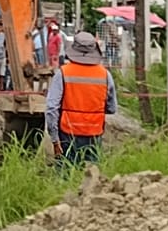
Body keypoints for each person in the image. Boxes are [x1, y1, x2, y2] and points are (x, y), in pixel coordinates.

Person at [46, 31, 119, 167]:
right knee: (91, 178)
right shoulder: (105, 75)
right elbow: (112, 108)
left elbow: (51, 108)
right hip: (94, 133)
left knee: (65, 175)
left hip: (68, 133)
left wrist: (55, 140)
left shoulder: (63, 73)